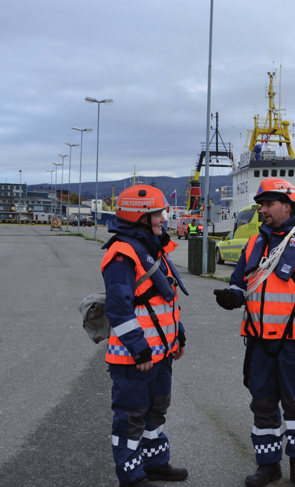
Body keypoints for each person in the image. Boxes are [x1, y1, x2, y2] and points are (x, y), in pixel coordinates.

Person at [213, 177, 295, 487]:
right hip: (258, 344)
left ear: (288, 206)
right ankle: (268, 466)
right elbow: (240, 282)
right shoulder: (255, 243)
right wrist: (232, 296)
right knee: (262, 404)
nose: (263, 210)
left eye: (268, 204)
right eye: (261, 204)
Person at [101, 185, 189, 487]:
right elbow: (118, 308)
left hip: (160, 353)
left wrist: (178, 336)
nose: (164, 218)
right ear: (141, 217)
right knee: (130, 418)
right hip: (135, 358)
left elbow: (163, 300)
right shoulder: (122, 253)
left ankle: (154, 465)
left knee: (155, 412)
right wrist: (139, 350)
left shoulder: (151, 247)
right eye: (159, 213)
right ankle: (131, 476)